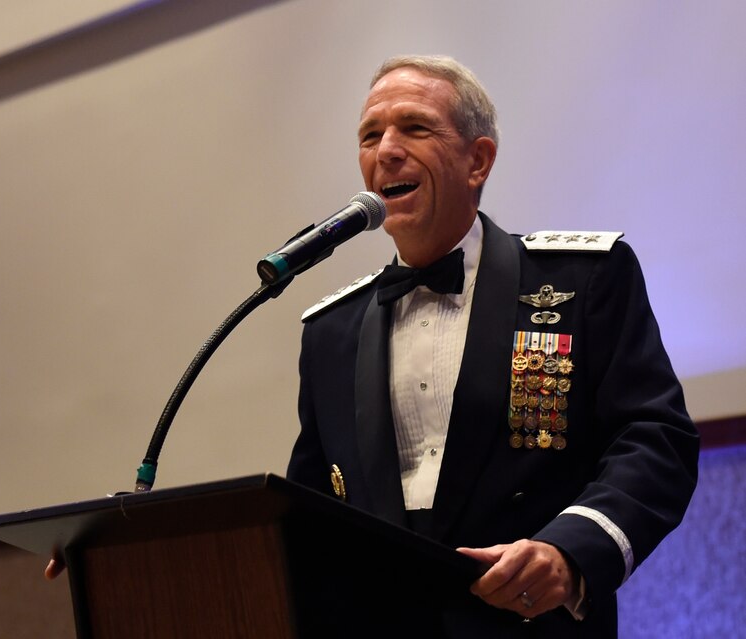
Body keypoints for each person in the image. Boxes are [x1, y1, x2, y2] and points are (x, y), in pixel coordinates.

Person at [286, 54, 698, 638]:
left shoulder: (584, 279)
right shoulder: (331, 330)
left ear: (477, 160)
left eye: (415, 128)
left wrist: (571, 552)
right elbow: (311, 510)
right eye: (370, 135)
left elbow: (656, 439)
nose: (387, 150)